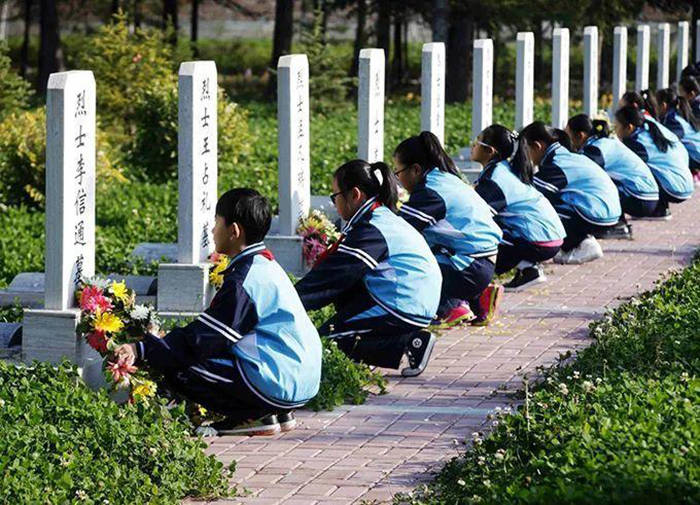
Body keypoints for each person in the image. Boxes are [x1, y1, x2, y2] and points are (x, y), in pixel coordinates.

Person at [115, 189, 322, 436]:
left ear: (234, 231)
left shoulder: (243, 280)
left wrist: (143, 349)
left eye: (216, 223)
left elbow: (204, 340)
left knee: (178, 365)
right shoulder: (266, 264)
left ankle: (250, 415)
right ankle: (274, 412)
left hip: (277, 383)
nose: (213, 231)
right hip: (302, 379)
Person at [295, 159, 442, 378]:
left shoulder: (372, 229)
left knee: (324, 345)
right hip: (413, 296)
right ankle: (404, 341)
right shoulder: (379, 217)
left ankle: (408, 342)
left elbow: (334, 277)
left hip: (403, 303)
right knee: (342, 309)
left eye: (335, 196)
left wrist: (288, 301)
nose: (334, 203)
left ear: (354, 194)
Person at [392, 131, 504, 326]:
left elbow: (398, 233)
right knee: (429, 244)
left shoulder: (429, 192)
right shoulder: (444, 178)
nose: (398, 180)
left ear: (416, 170)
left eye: (398, 173)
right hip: (483, 262)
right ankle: (479, 298)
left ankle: (450, 307)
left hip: (470, 268)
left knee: (406, 263)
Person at [470, 125, 566, 291]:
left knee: (481, 232)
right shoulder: (502, 169)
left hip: (541, 241)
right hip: (550, 237)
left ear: (490, 151)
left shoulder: (495, 178)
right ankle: (528, 268)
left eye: (477, 143)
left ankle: (527, 268)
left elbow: (477, 216)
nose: (473, 146)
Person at [520, 121, 621, 264]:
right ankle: (574, 244)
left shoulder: (557, 163)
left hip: (597, 213)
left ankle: (583, 243)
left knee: (540, 209)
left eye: (524, 151)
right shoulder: (563, 156)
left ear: (537, 146)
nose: (524, 157)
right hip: (606, 210)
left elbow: (530, 193)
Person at [566, 114, 659, 235]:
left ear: (580, 135)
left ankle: (616, 226)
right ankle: (619, 224)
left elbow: (581, 173)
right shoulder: (603, 142)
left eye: (568, 135)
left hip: (640, 198)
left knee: (596, 184)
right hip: (646, 196)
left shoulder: (596, 149)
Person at [614, 105, 694, 220]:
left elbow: (626, 166)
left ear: (629, 127)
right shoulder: (648, 131)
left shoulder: (638, 142)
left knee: (633, 172)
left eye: (617, 127)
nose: (615, 130)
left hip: (674, 188)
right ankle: (661, 208)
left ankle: (657, 210)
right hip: (684, 183)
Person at [656, 87, 700, 186]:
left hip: (696, 156)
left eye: (656, 104)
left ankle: (691, 174)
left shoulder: (672, 120)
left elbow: (673, 139)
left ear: (663, 106)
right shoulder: (677, 115)